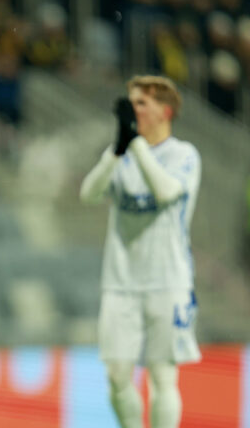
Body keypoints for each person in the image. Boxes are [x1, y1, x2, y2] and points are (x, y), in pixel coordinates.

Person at [80, 75, 201, 428]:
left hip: (169, 281)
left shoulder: (184, 155)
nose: (133, 111)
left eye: (141, 103)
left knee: (162, 376)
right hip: (120, 282)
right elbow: (88, 195)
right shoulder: (121, 154)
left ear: (165, 111)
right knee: (117, 376)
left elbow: (165, 192)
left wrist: (135, 146)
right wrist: (116, 151)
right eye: (130, 103)